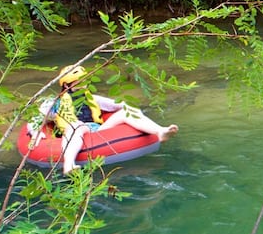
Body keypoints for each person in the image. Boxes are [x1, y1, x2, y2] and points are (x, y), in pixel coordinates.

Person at [39, 65, 178, 174]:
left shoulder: (93, 98)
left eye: (85, 80)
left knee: (126, 111)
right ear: (67, 86)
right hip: (74, 131)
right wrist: (36, 133)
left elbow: (119, 104)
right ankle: (69, 165)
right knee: (77, 127)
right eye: (78, 82)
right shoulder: (54, 103)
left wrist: (134, 111)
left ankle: (160, 131)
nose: (83, 84)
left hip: (97, 129)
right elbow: (37, 118)